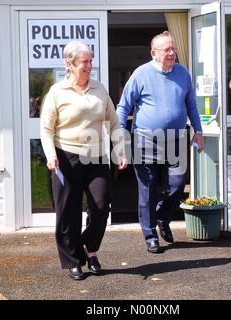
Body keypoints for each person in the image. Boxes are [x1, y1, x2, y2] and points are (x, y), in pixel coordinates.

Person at [40, 40, 127, 280]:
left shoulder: (99, 89)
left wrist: (120, 150)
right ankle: (74, 260)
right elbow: (46, 129)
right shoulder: (57, 92)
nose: (90, 66)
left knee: (101, 205)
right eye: (85, 62)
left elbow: (114, 121)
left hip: (97, 156)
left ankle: (90, 247)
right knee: (68, 212)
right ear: (70, 64)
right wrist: (51, 156)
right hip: (66, 156)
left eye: (91, 61)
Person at [116, 31, 204, 254]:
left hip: (176, 140)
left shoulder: (182, 73)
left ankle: (162, 217)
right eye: (167, 50)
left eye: (173, 49)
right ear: (154, 53)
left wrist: (199, 131)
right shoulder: (141, 74)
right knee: (147, 189)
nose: (172, 53)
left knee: (176, 185)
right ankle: (150, 235)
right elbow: (123, 107)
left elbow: (191, 105)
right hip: (145, 140)